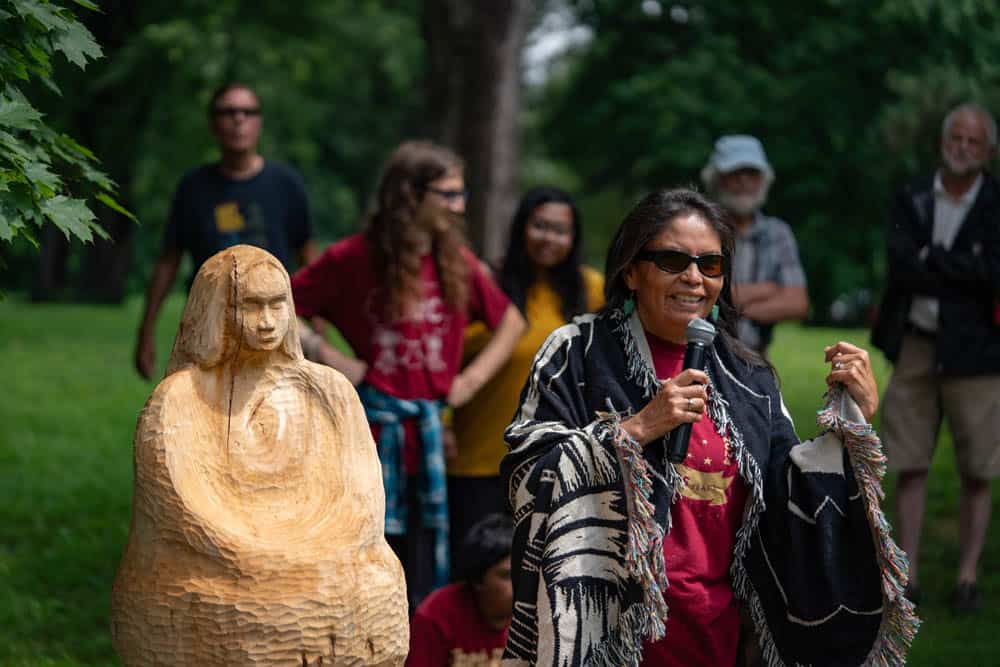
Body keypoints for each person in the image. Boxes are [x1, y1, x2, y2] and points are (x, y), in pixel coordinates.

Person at [500, 188, 917, 666]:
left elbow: (789, 499)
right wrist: (633, 431)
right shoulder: (577, 353)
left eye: (710, 265)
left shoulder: (750, 379)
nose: (694, 278)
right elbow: (524, 477)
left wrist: (851, 424)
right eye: (673, 260)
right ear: (632, 271)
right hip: (598, 639)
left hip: (714, 639)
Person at [291, 140, 526, 611]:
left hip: (435, 443)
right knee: (367, 566)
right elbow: (280, 307)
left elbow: (511, 322)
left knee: (425, 574)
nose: (460, 206)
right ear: (410, 196)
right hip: (368, 440)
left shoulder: (454, 260)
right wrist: (331, 357)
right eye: (449, 194)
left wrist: (469, 383)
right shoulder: (353, 258)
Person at [872, 102, 1000, 613]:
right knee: (909, 461)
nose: (962, 147)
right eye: (956, 138)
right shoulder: (912, 196)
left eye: (973, 141)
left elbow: (993, 275)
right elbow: (901, 266)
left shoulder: (996, 202)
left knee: (977, 468)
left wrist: (934, 262)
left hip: (979, 355)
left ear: (987, 151)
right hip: (917, 344)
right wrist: (961, 267)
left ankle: (967, 576)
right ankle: (909, 573)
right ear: (943, 143)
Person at [449, 186, 604, 559]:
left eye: (560, 230)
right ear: (521, 228)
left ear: (573, 238)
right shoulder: (486, 283)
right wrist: (440, 421)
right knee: (478, 574)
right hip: (479, 456)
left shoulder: (590, 290)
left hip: (552, 462)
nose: (549, 238)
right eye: (540, 226)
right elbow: (446, 356)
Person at [133, 81, 315, 380]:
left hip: (273, 321)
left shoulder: (286, 184)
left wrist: (315, 325)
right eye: (228, 111)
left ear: (259, 122)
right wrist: (146, 330)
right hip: (209, 324)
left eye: (248, 111)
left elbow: (307, 255)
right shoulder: (193, 187)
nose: (238, 119)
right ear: (213, 122)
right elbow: (169, 259)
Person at [701, 135, 808, 353]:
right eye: (735, 173)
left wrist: (729, 305)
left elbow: (798, 303)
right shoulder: (699, 228)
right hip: (702, 354)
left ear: (763, 179)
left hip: (756, 359)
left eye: (752, 173)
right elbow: (695, 296)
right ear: (717, 178)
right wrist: (769, 289)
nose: (744, 181)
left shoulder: (778, 232)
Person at [406, 513, 513, 667]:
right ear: (478, 579)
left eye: (522, 574)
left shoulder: (540, 613)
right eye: (507, 575)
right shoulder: (435, 616)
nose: (519, 583)